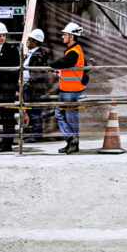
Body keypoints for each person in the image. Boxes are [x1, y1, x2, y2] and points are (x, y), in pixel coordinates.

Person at [49, 22, 87, 154]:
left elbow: (65, 62)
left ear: (71, 36)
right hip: (69, 89)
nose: (62, 37)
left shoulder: (74, 52)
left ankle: (71, 139)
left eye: (65, 34)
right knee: (66, 116)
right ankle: (71, 142)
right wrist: (60, 72)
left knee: (67, 116)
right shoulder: (74, 51)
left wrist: (51, 65)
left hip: (71, 91)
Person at [0, 22, 21, 152]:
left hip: (7, 87)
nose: (2, 38)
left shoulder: (11, 49)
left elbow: (15, 69)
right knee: (3, 114)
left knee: (8, 115)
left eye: (4, 35)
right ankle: (5, 141)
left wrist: (11, 84)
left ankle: (7, 143)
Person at [22, 29, 50, 142]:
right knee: (30, 110)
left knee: (35, 111)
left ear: (35, 41)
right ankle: (33, 133)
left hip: (35, 87)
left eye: (29, 39)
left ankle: (36, 134)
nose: (27, 41)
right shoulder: (32, 53)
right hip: (29, 86)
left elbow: (37, 73)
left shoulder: (38, 54)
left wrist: (29, 81)